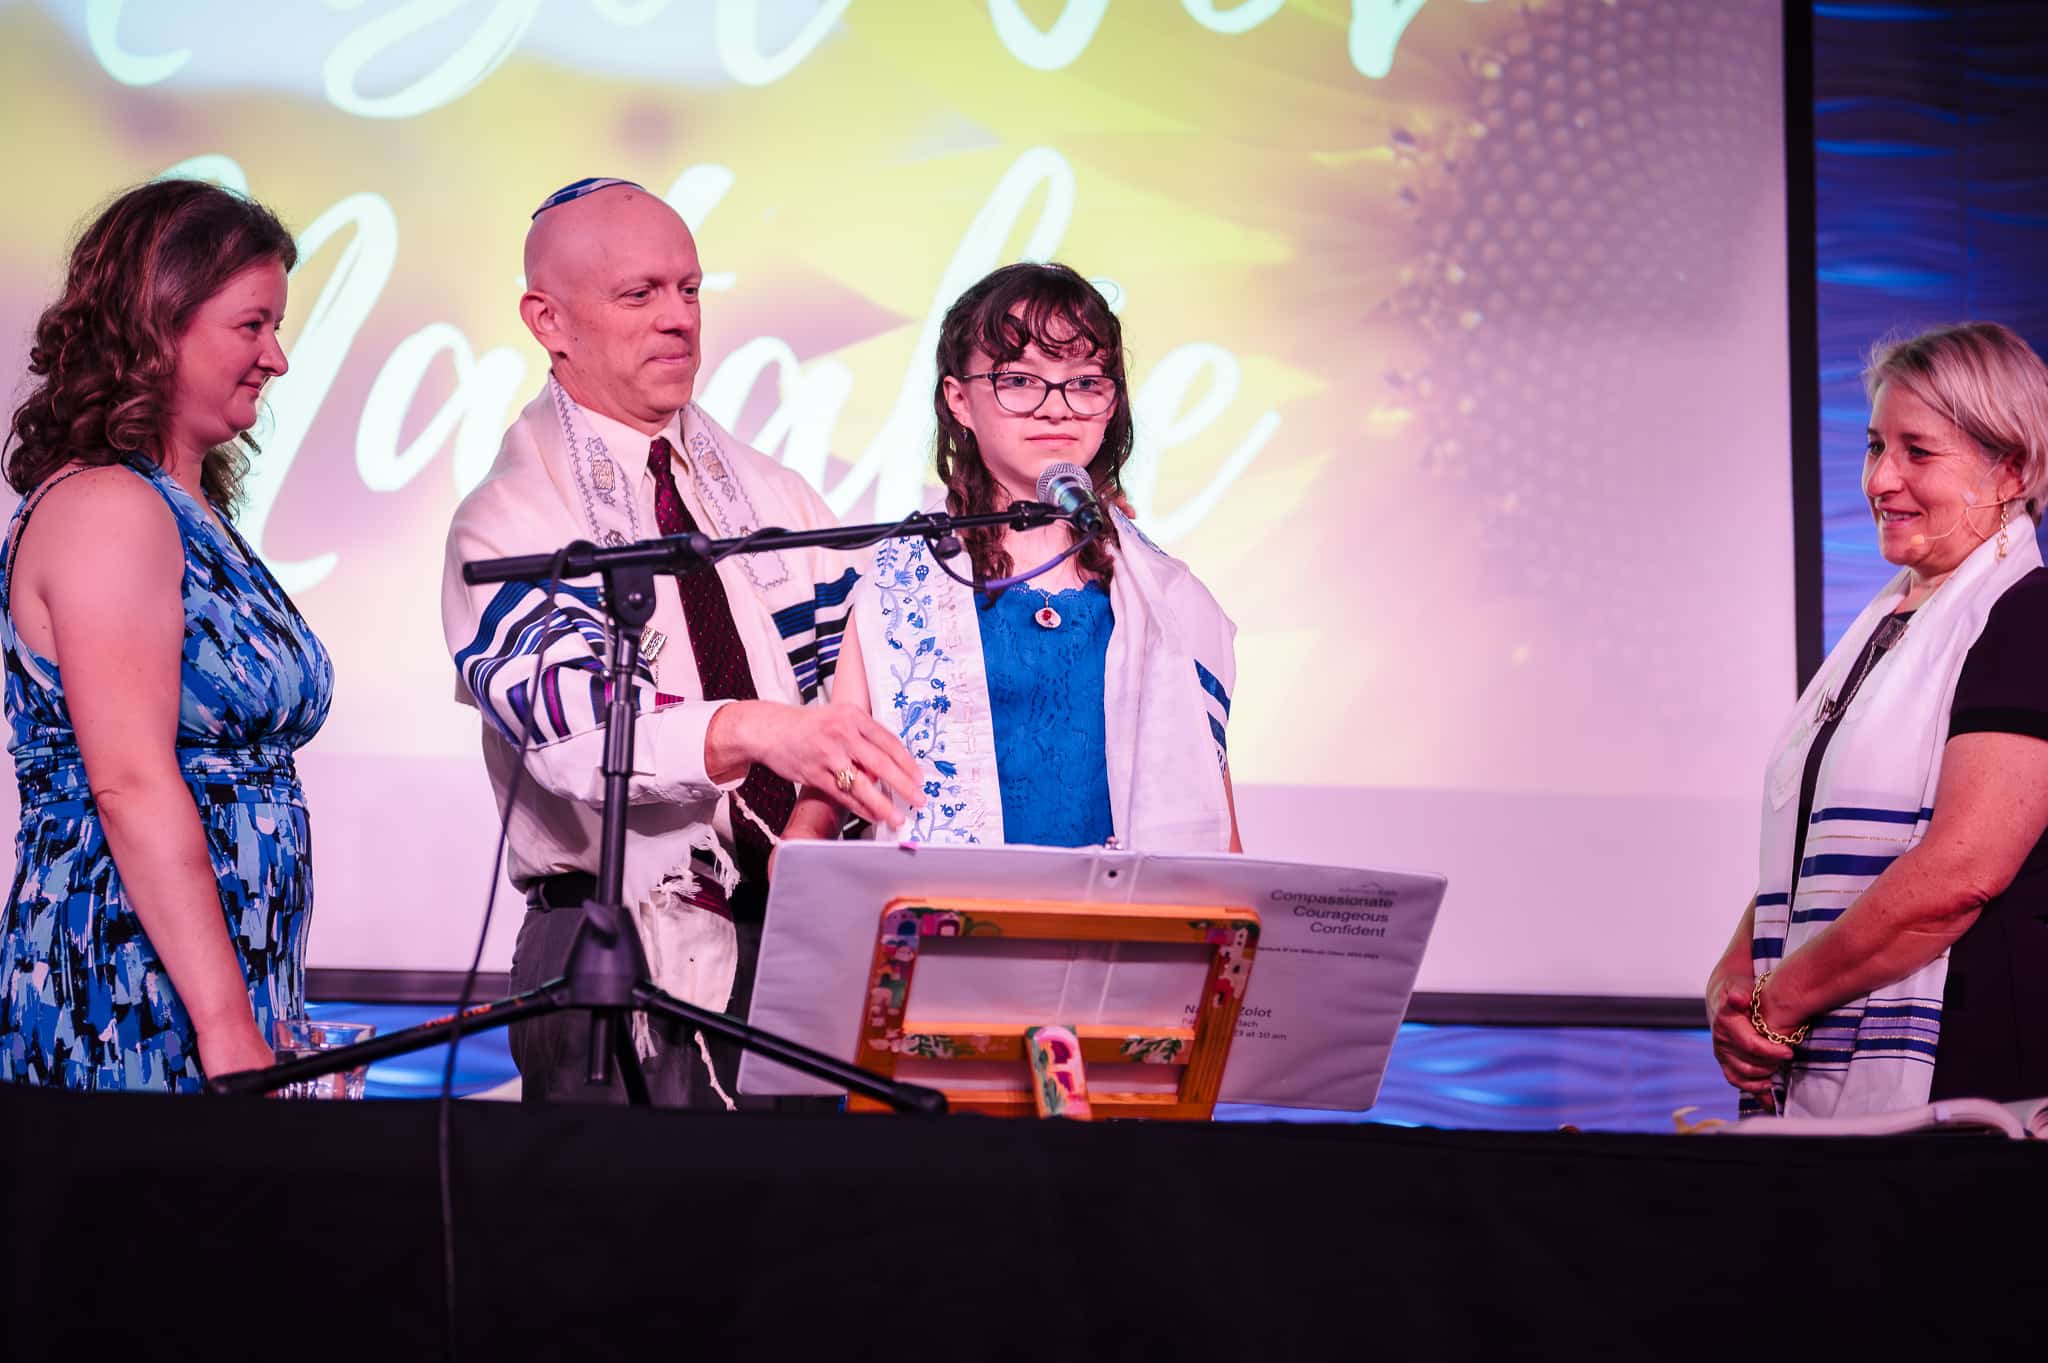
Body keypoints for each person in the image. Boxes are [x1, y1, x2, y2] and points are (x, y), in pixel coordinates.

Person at [441, 177, 920, 1106]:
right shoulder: (507, 519)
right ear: (548, 319)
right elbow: (576, 727)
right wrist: (755, 729)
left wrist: (815, 828)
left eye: (690, 290)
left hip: (795, 934)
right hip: (612, 957)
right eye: (640, 295)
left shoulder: (772, 494)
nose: (678, 319)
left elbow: (862, 684)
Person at [0, 180, 333, 1092]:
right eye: (252, 325)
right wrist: (227, 1029)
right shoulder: (109, 506)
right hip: (127, 983)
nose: (278, 357)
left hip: (206, 982)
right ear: (159, 324)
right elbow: (132, 781)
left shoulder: (185, 510)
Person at [782, 262, 1241, 853]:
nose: (1056, 407)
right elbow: (829, 792)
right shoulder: (900, 583)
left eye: (1084, 382)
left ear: (1111, 403)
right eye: (1019, 380)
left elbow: (1218, 831)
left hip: (1126, 927)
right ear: (959, 401)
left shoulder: (1169, 597)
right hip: (951, 926)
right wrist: (799, 853)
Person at [1709, 321, 2048, 1118]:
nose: (1880, 479)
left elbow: (1961, 873)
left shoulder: (2027, 620)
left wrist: (1774, 1004)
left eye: (1917, 452)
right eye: (1874, 446)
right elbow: (1805, 854)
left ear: (2012, 469)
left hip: (1964, 1094)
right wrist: (1732, 980)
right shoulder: (1885, 632)